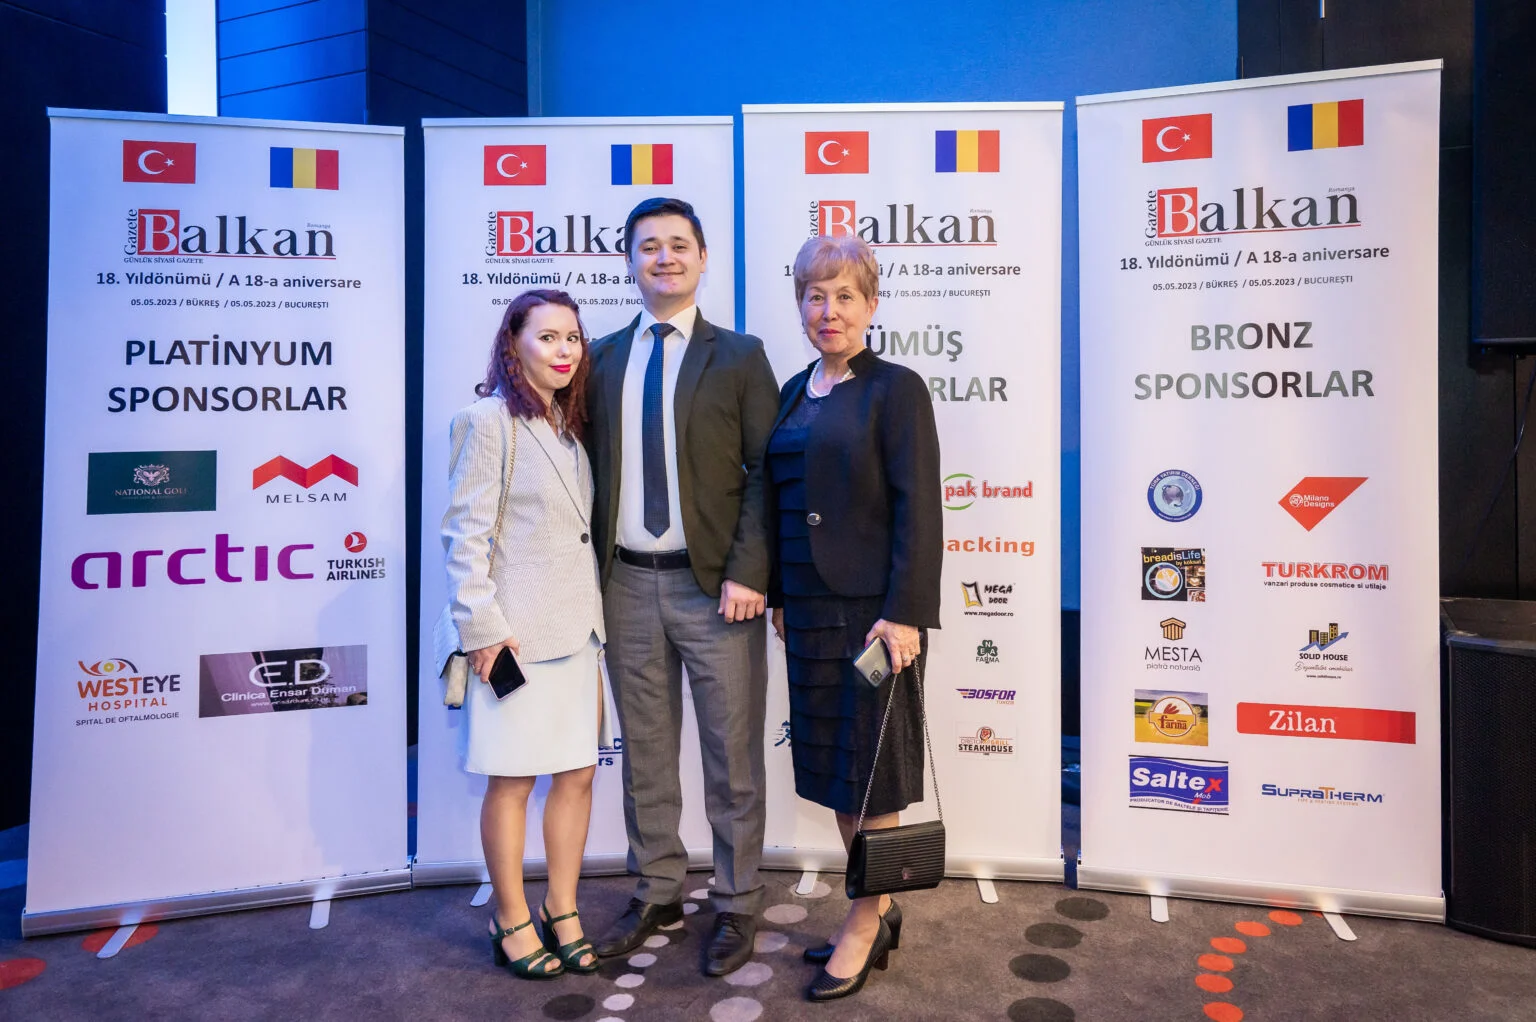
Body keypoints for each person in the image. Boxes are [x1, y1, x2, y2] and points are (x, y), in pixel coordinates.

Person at [585, 198, 780, 977]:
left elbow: (766, 471)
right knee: (646, 755)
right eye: (648, 247)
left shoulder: (740, 356)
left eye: (677, 245)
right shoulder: (598, 358)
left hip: (717, 592)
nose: (663, 257)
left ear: (702, 258)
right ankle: (658, 889)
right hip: (625, 585)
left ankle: (737, 899)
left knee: (732, 758)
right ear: (629, 262)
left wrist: (750, 572)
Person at [765, 234, 942, 1002]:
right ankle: (879, 905)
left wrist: (904, 615)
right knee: (841, 776)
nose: (828, 310)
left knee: (874, 779)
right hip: (807, 616)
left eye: (844, 296)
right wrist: (778, 594)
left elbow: (919, 509)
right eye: (815, 295)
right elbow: (778, 502)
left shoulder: (896, 389)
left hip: (873, 620)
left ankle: (865, 922)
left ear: (871, 305)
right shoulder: (791, 391)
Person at [440, 289, 607, 980]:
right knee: (511, 782)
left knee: (577, 774)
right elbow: (464, 537)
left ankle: (561, 910)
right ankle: (510, 919)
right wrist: (483, 632)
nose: (564, 350)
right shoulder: (487, 421)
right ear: (514, 345)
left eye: (573, 338)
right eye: (547, 337)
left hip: (578, 631)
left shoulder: (569, 425)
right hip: (512, 640)